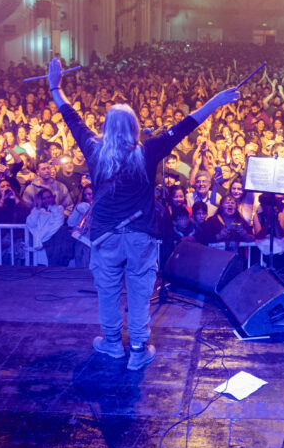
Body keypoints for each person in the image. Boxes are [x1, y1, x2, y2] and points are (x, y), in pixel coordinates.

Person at [47, 56, 239, 371]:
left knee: (108, 292)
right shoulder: (147, 152)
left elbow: (70, 116)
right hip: (139, 236)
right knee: (138, 293)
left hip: (106, 236)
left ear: (106, 127)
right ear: (135, 127)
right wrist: (216, 101)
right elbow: (186, 124)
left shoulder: (94, 148)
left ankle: (111, 344)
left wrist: (55, 87)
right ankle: (137, 350)